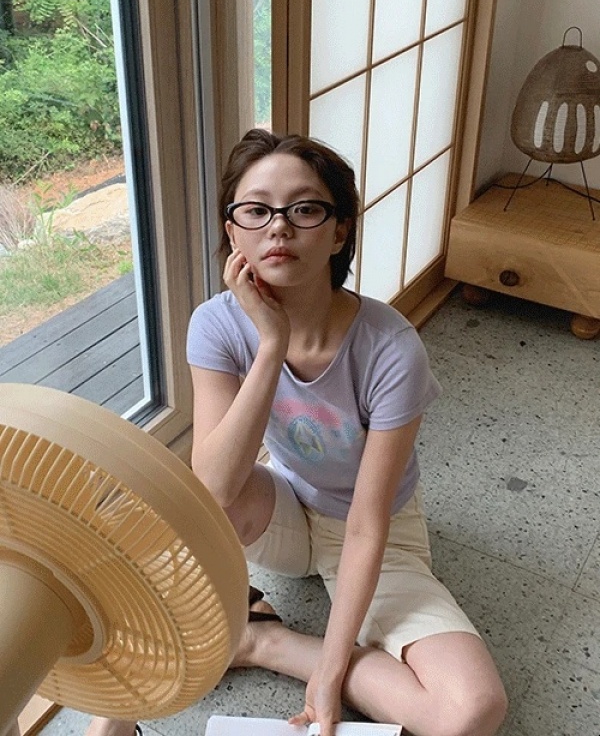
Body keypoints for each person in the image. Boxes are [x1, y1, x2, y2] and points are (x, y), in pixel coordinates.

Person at [87, 129, 507, 736]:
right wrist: (271, 345)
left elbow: (366, 523)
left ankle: (262, 642)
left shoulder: (391, 348)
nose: (278, 227)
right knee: (183, 508)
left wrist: (329, 670)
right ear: (233, 232)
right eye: (256, 211)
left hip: (372, 528)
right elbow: (215, 486)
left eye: (305, 209)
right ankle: (118, 711)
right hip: (280, 504)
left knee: (470, 710)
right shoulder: (216, 324)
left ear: (339, 232)